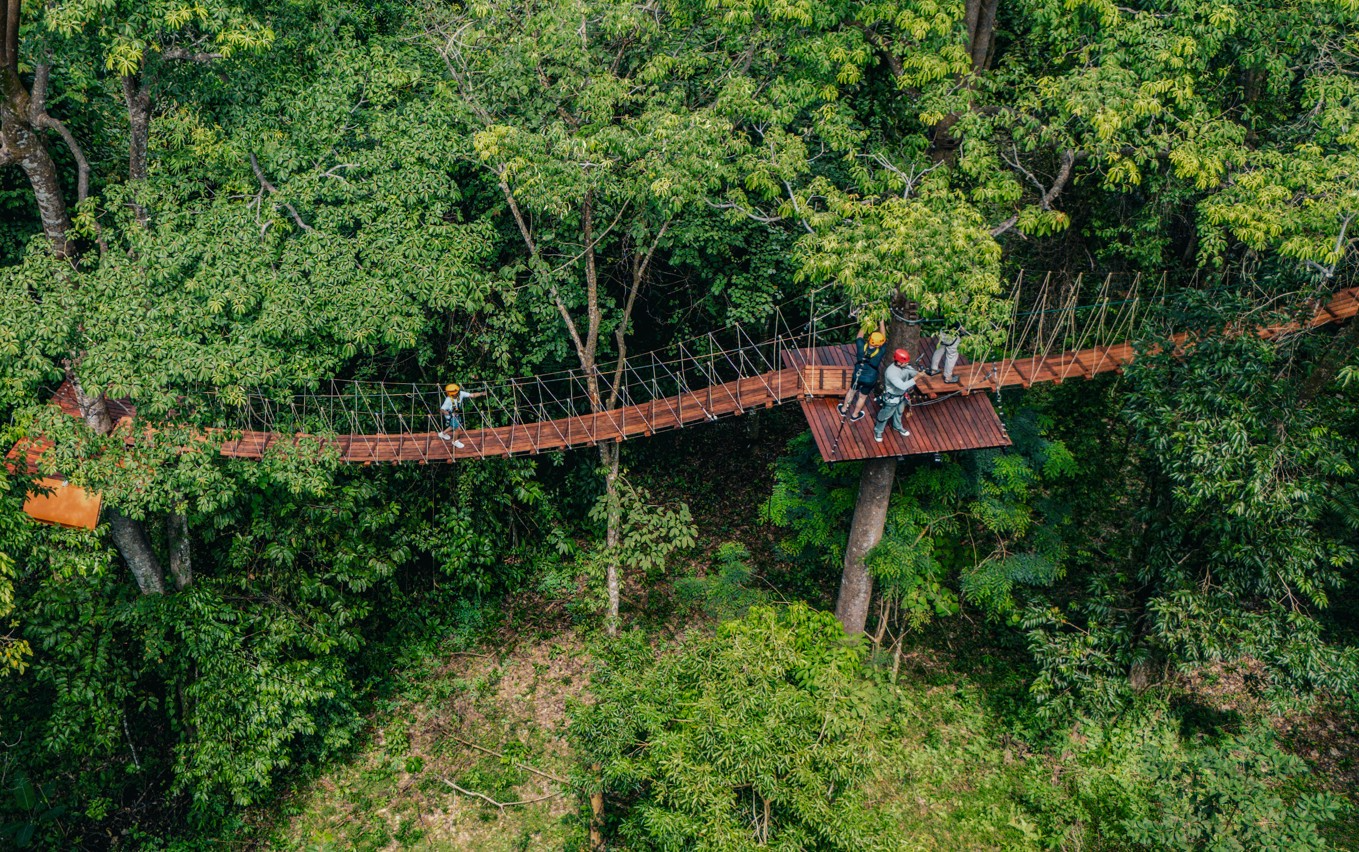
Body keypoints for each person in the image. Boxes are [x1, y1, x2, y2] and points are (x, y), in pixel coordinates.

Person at [838, 322, 887, 422]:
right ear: (880, 343)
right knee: (862, 397)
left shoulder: (861, 346)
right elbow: (884, 337)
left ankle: (843, 409)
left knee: (851, 391)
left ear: (869, 340)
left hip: (858, 375)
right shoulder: (881, 350)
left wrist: (867, 322)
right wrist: (881, 322)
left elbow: (860, 335)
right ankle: (855, 415)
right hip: (870, 378)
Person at [874, 349, 919, 443]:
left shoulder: (905, 366)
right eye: (905, 363)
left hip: (902, 396)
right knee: (885, 415)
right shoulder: (891, 372)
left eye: (907, 362)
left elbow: (913, 373)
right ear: (898, 362)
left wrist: (920, 372)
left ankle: (897, 426)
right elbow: (902, 385)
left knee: (899, 412)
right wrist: (917, 377)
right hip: (892, 398)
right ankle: (878, 431)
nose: (907, 364)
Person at [438, 382, 484, 448]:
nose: (457, 394)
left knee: (452, 426)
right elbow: (442, 409)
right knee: (458, 429)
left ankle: (442, 434)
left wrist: (481, 393)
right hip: (451, 416)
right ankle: (455, 441)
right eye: (455, 393)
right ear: (451, 394)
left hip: (456, 415)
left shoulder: (461, 393)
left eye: (457, 392)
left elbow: (472, 395)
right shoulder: (448, 400)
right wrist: (447, 413)